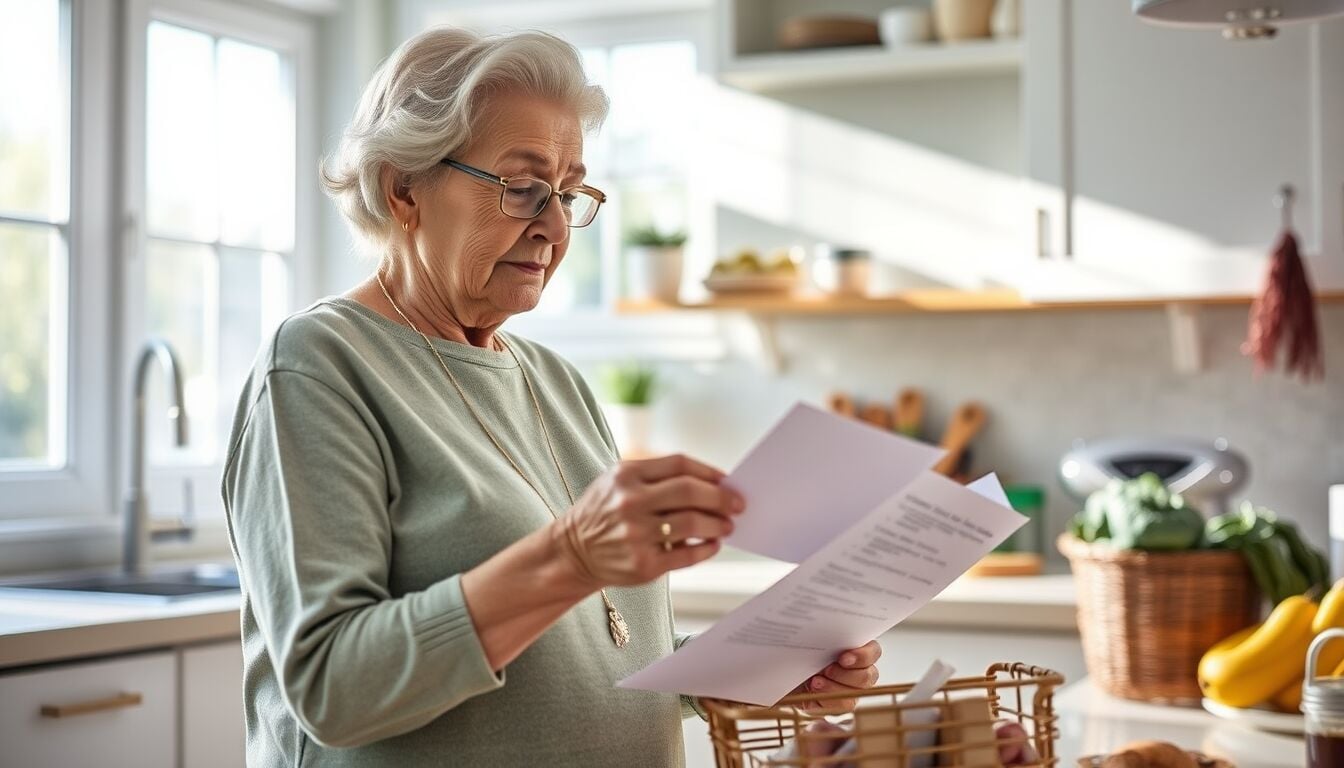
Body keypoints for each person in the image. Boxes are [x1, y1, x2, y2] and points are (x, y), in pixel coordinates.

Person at [221, 26, 881, 767]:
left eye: (569, 192)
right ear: (402, 188)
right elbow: (331, 688)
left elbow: (597, 660)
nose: (557, 226)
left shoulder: (555, 382)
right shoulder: (320, 365)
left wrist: (743, 673)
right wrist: (569, 555)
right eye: (523, 187)